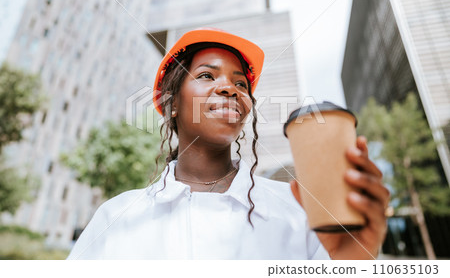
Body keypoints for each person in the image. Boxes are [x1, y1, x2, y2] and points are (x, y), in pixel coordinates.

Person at [67, 28, 389, 260]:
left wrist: (353, 262)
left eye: (240, 83)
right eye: (207, 76)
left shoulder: (300, 211)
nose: (230, 89)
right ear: (172, 104)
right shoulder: (117, 217)